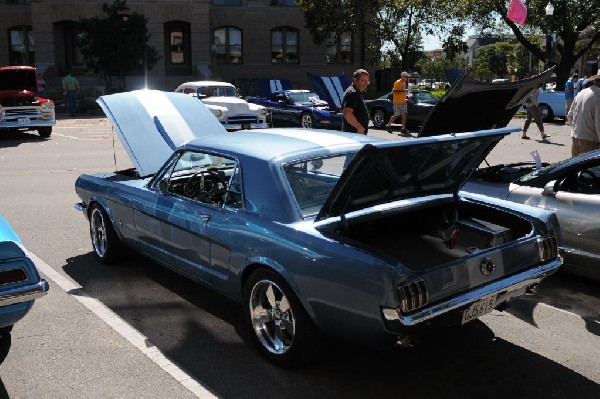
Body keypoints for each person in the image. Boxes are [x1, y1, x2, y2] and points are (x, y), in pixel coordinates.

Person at [566, 69, 600, 157]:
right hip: (589, 140)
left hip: (575, 137)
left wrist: (575, 130)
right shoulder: (598, 95)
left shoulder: (581, 93)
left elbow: (570, 116)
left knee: (575, 168)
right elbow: (598, 122)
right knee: (588, 169)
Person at [341, 69, 370, 135]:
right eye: (363, 81)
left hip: (354, 135)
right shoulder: (353, 93)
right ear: (355, 80)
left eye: (367, 82)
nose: (365, 84)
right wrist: (359, 127)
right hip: (354, 135)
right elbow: (347, 113)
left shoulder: (356, 92)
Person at [385, 71, 411, 136]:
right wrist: (404, 91)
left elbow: (403, 93)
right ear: (402, 76)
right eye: (406, 77)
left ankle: (403, 128)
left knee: (404, 114)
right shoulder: (397, 82)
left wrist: (407, 96)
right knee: (396, 115)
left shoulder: (404, 83)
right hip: (397, 102)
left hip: (403, 101)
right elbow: (394, 91)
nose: (407, 78)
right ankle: (388, 125)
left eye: (407, 77)